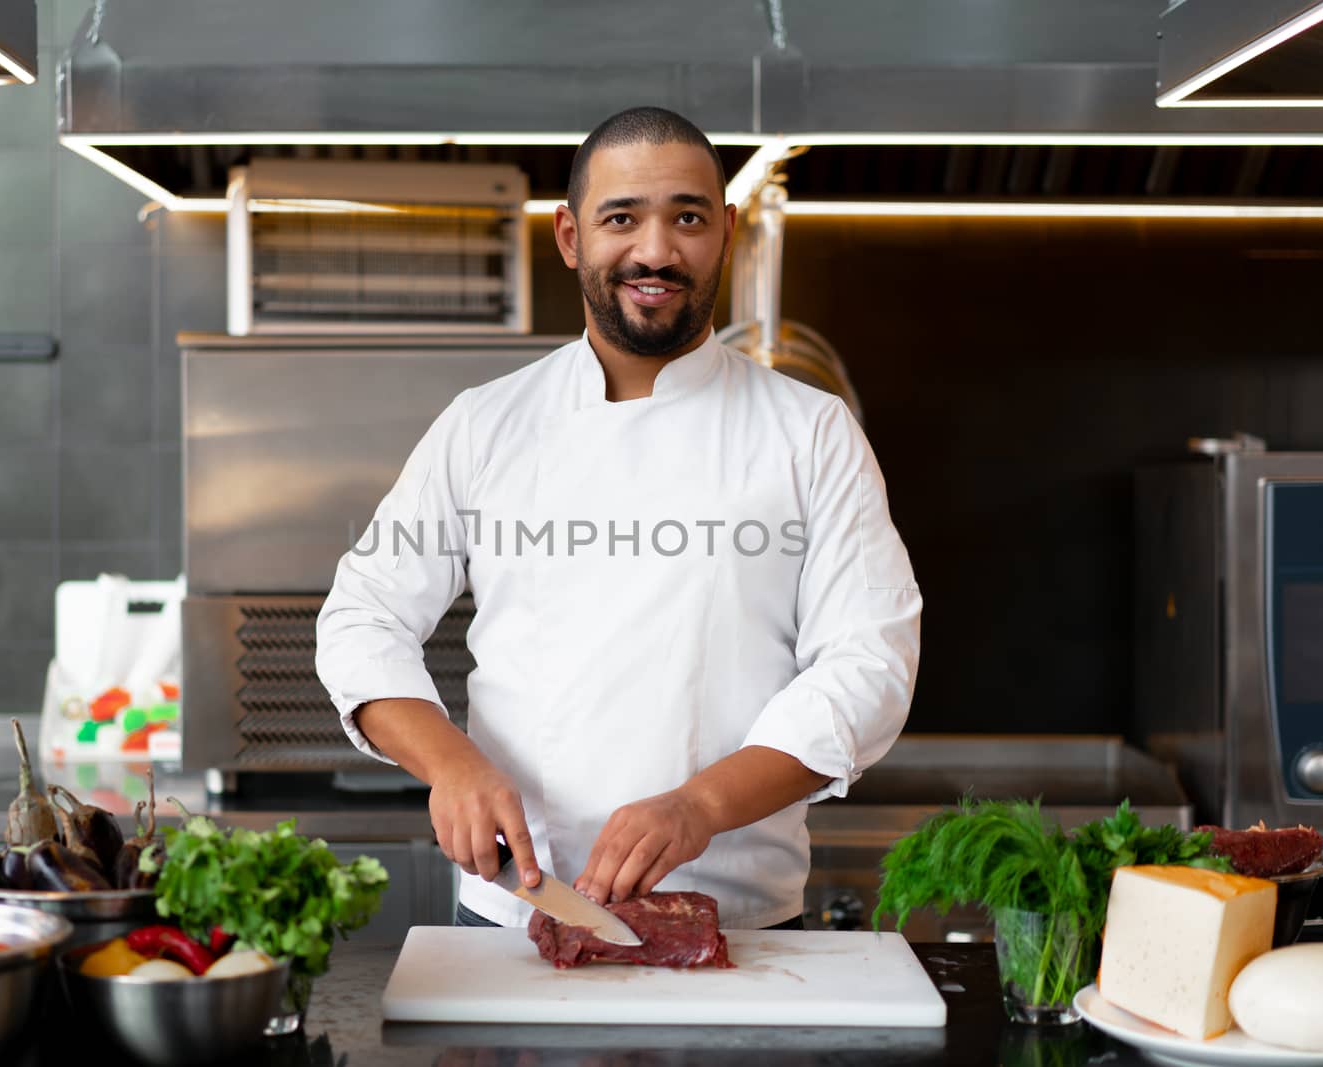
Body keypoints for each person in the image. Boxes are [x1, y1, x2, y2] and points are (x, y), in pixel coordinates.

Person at [316, 106, 921, 931]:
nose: (656, 250)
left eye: (688, 218)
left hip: (735, 921)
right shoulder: (484, 424)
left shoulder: (811, 433)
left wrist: (700, 804)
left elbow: (869, 664)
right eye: (621, 218)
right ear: (570, 236)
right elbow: (363, 616)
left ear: (727, 232)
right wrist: (450, 762)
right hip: (517, 909)